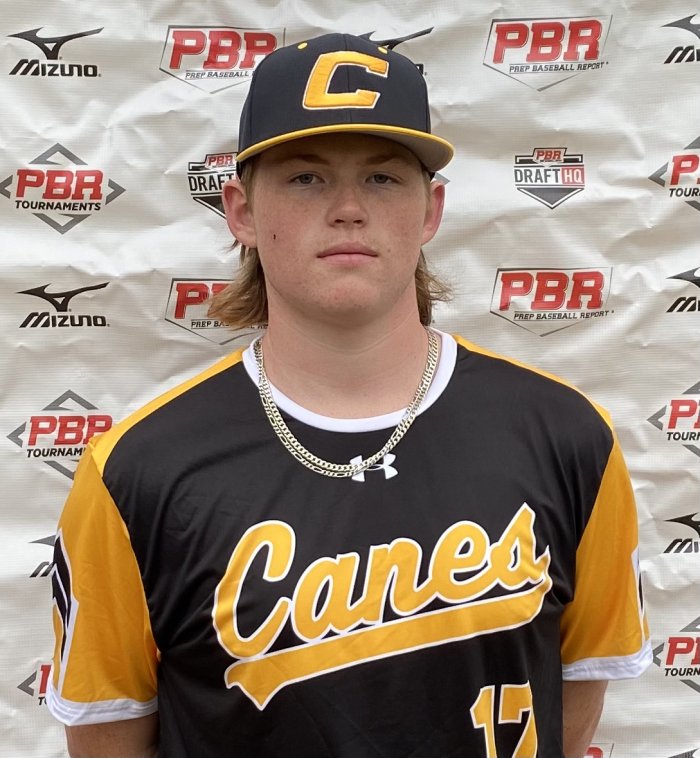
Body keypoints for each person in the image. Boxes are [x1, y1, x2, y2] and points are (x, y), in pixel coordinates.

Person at [47, 32, 651, 758]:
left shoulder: (566, 435)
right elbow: (107, 740)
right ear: (240, 210)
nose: (347, 209)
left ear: (430, 211)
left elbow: (574, 698)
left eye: (383, 178)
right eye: (306, 178)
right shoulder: (136, 471)